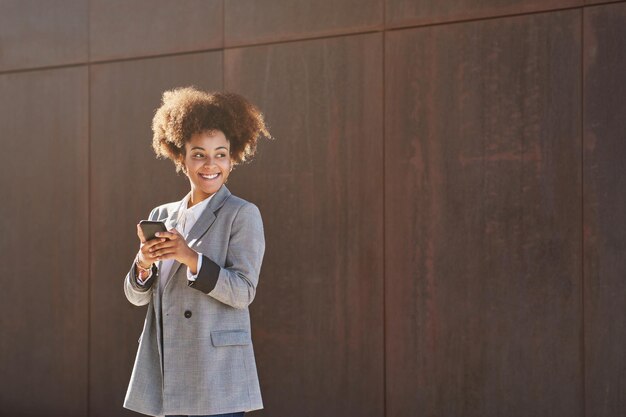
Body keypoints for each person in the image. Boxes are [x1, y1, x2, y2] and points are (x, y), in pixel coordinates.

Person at [123, 86, 270, 417]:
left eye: (221, 154)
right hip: (168, 366)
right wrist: (144, 262)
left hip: (215, 372)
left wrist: (190, 257)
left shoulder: (242, 214)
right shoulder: (162, 215)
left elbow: (243, 291)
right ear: (181, 157)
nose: (210, 164)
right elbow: (135, 297)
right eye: (199, 154)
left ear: (233, 157)